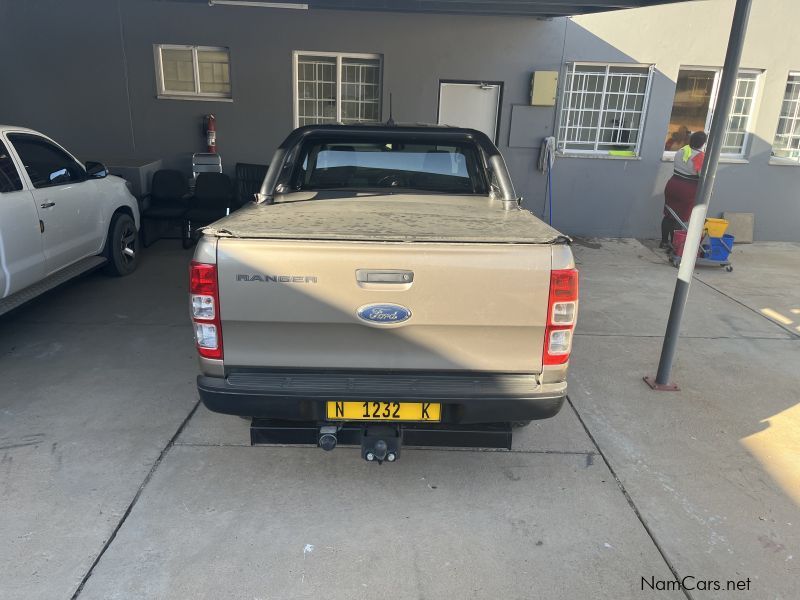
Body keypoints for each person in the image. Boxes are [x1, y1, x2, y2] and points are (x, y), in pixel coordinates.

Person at [661, 130, 708, 249]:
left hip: (673, 184)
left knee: (669, 214)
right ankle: (675, 245)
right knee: (679, 218)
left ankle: (664, 241)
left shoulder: (681, 151)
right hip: (687, 189)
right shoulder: (700, 157)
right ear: (703, 143)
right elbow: (702, 176)